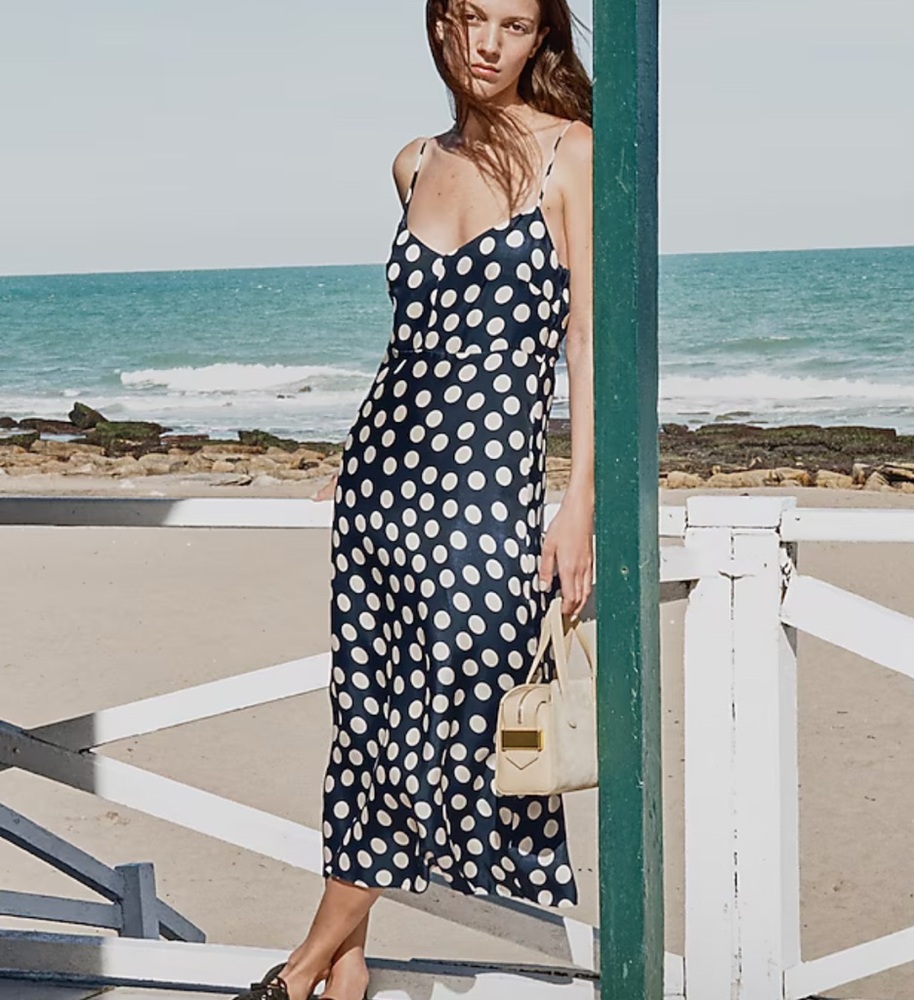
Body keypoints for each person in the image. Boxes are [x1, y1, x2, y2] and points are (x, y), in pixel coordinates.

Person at [234, 1, 592, 997]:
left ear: (541, 41)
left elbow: (586, 344)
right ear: (439, 26)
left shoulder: (572, 156)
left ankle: (301, 965)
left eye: (513, 25)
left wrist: (579, 505)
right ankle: (344, 968)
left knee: (462, 709)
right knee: (373, 725)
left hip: (486, 488)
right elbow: (411, 349)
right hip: (382, 485)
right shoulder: (410, 162)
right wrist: (353, 456)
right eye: (470, 18)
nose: (486, 43)